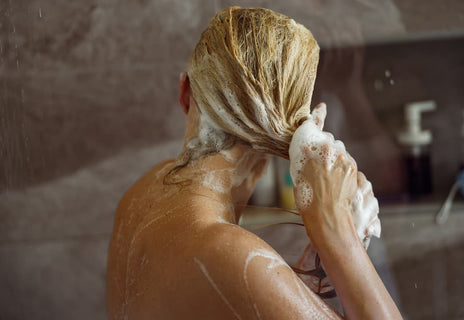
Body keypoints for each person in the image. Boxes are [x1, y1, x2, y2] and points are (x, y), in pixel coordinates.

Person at [107, 7, 402, 319]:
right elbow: (239, 282)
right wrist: (337, 230)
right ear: (297, 120)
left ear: (184, 92)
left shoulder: (142, 194)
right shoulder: (231, 255)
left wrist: (311, 269)